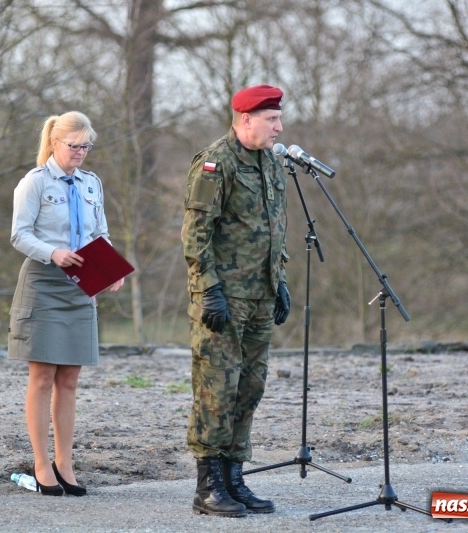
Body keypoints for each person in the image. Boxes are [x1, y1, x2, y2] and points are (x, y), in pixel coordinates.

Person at [181, 84, 291, 517]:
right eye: (271, 119)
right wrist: (208, 289)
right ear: (246, 119)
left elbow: (273, 228)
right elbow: (195, 234)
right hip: (224, 298)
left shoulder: (270, 162)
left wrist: (278, 280)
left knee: (250, 386)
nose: (279, 127)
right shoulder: (215, 162)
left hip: (260, 295)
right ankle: (207, 485)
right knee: (216, 389)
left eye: (279, 119)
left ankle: (233, 478)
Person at [8, 111, 124, 496]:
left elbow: (100, 232)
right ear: (55, 143)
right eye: (73, 146)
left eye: (85, 146)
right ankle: (41, 463)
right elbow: (19, 235)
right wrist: (52, 253)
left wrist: (110, 268)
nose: (80, 153)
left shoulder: (92, 183)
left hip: (81, 285)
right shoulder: (35, 183)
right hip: (44, 283)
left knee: (70, 380)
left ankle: (65, 462)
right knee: (42, 378)